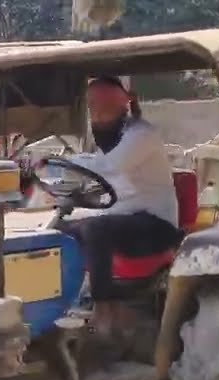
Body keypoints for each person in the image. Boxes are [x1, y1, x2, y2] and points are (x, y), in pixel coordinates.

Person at [45, 75, 181, 337]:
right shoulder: (111, 141)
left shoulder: (141, 135)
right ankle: (61, 300)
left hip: (155, 225)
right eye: (93, 110)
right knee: (54, 227)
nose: (96, 116)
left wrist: (54, 163)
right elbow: (96, 167)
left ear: (122, 107)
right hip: (123, 217)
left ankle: (102, 308)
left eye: (103, 109)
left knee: (96, 229)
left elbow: (109, 167)